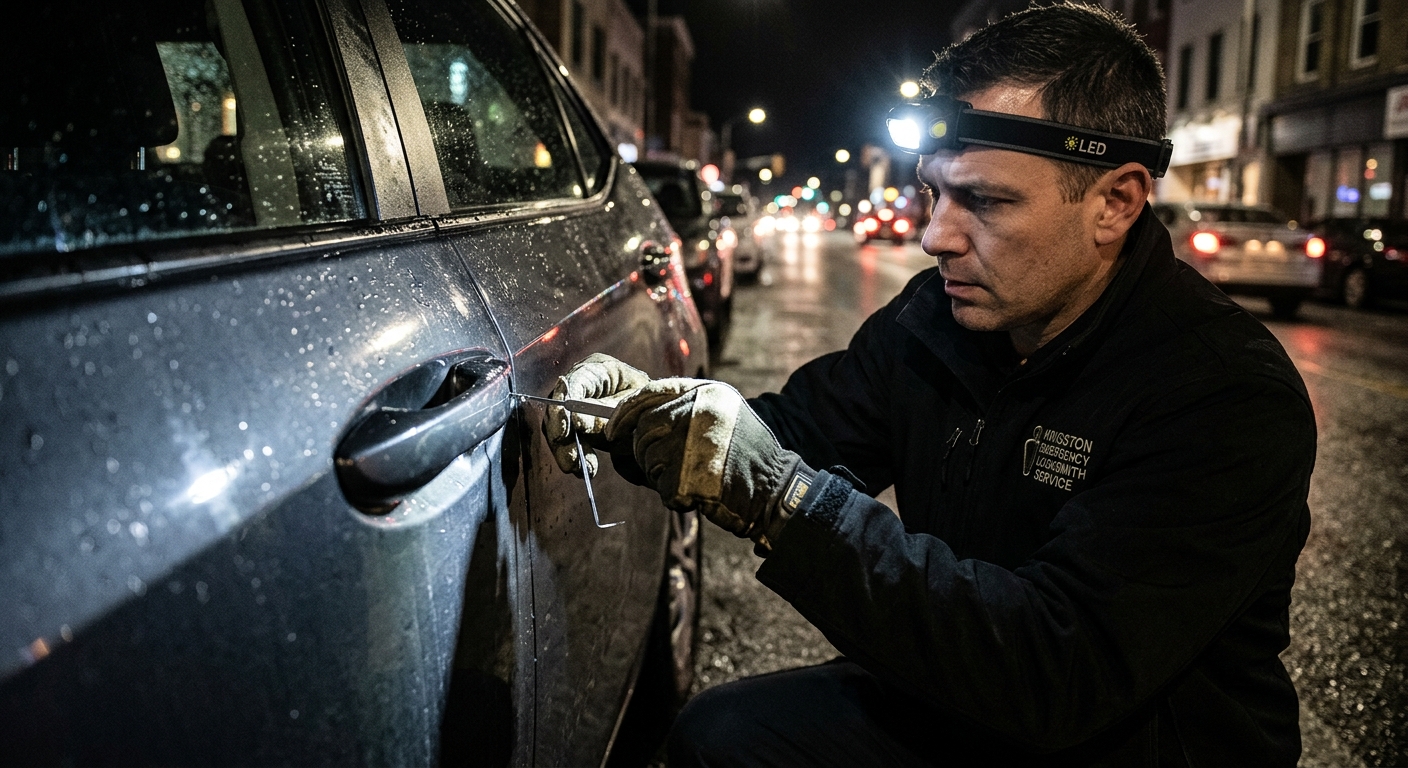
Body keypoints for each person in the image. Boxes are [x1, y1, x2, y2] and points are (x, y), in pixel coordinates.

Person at [546, 5, 1315, 765]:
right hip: (968, 695)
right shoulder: (941, 321)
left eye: (985, 200)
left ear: (1114, 202)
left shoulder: (1222, 392)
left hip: (1117, 735)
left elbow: (1060, 670)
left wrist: (781, 499)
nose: (934, 235)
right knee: (724, 737)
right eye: (933, 193)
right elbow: (796, 431)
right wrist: (646, 413)